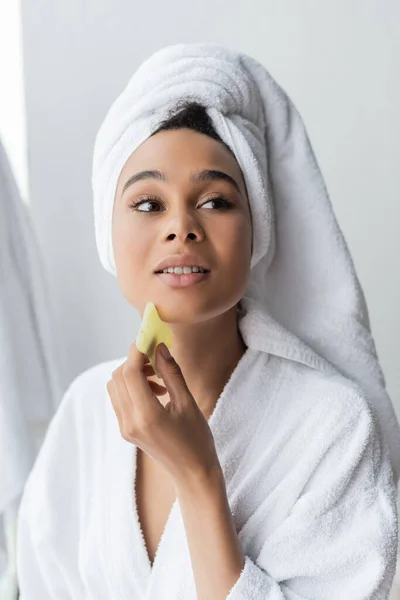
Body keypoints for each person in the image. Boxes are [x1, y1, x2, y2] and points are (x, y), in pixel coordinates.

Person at [16, 43, 400, 599]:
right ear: (108, 231)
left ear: (257, 230)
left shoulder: (332, 426)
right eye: (148, 203)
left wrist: (200, 479)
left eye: (215, 201)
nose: (181, 226)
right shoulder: (84, 413)